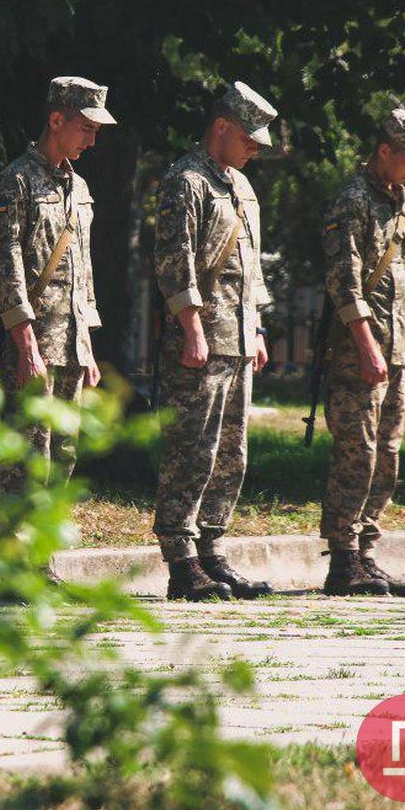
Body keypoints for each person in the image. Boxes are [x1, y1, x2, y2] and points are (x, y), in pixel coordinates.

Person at [152, 81, 275, 602]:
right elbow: (175, 262)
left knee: (230, 453)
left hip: (238, 338)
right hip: (200, 340)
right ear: (222, 127)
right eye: (249, 138)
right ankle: (181, 558)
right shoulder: (186, 181)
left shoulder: (241, 187)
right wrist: (192, 330)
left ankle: (212, 550)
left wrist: (258, 329)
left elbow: (250, 267)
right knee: (191, 450)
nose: (256, 149)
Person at [320, 108, 405, 598]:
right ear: (384, 151)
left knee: (388, 453)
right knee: (358, 452)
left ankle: (367, 550)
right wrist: (367, 344)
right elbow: (344, 281)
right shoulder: (351, 201)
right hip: (359, 352)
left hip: (398, 350)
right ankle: (343, 557)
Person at [0, 76, 115, 510]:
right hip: (32, 345)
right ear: (56, 120)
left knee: (63, 453)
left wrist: (87, 347)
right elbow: (6, 267)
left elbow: (84, 270)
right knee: (25, 456)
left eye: (96, 131)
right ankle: (13, 546)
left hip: (71, 346)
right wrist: (26, 347)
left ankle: (43, 545)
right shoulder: (15, 182)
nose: (92, 141)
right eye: (86, 129)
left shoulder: (80, 188)